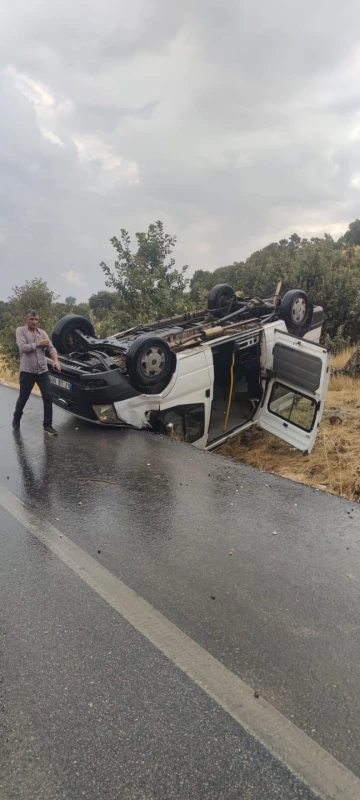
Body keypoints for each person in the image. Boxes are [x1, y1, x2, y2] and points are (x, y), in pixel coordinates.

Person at [12, 309, 61, 435]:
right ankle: (16, 418)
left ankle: (47, 425)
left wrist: (56, 361)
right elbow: (23, 348)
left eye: (36, 319)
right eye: (31, 319)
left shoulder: (42, 333)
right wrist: (38, 344)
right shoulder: (20, 331)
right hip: (27, 371)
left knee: (48, 396)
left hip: (42, 371)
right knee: (23, 397)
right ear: (26, 319)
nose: (34, 322)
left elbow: (51, 348)